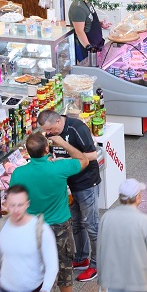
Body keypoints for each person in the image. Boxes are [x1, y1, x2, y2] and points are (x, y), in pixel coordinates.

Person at [9, 131, 89, 292]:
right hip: (59, 225)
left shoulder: (19, 173)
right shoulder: (59, 167)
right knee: (64, 266)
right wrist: (62, 142)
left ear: (28, 153)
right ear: (47, 149)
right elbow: (83, 159)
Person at [37, 110, 101, 282]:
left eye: (50, 130)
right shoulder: (52, 133)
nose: (49, 134)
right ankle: (81, 258)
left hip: (86, 183)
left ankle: (97, 265)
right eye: (46, 131)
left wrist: (64, 148)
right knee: (76, 223)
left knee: (91, 224)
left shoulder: (76, 128)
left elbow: (93, 155)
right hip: (69, 185)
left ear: (58, 121)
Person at [69, 0, 111, 64]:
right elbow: (79, 31)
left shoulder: (87, 1)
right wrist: (89, 47)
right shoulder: (78, 7)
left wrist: (100, 24)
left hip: (95, 44)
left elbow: (88, 20)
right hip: (86, 47)